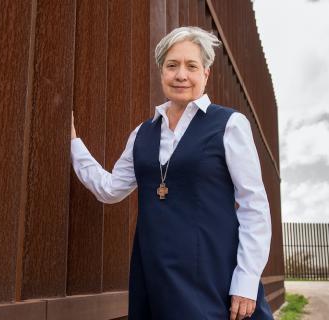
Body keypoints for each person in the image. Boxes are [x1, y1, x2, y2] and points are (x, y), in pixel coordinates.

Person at [70, 26, 273, 320]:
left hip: (213, 274)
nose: (181, 75)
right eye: (172, 65)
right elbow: (110, 189)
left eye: (191, 66)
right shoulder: (142, 133)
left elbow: (254, 206)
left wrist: (246, 280)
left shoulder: (230, 125)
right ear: (161, 71)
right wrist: (73, 144)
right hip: (155, 274)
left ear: (206, 74)